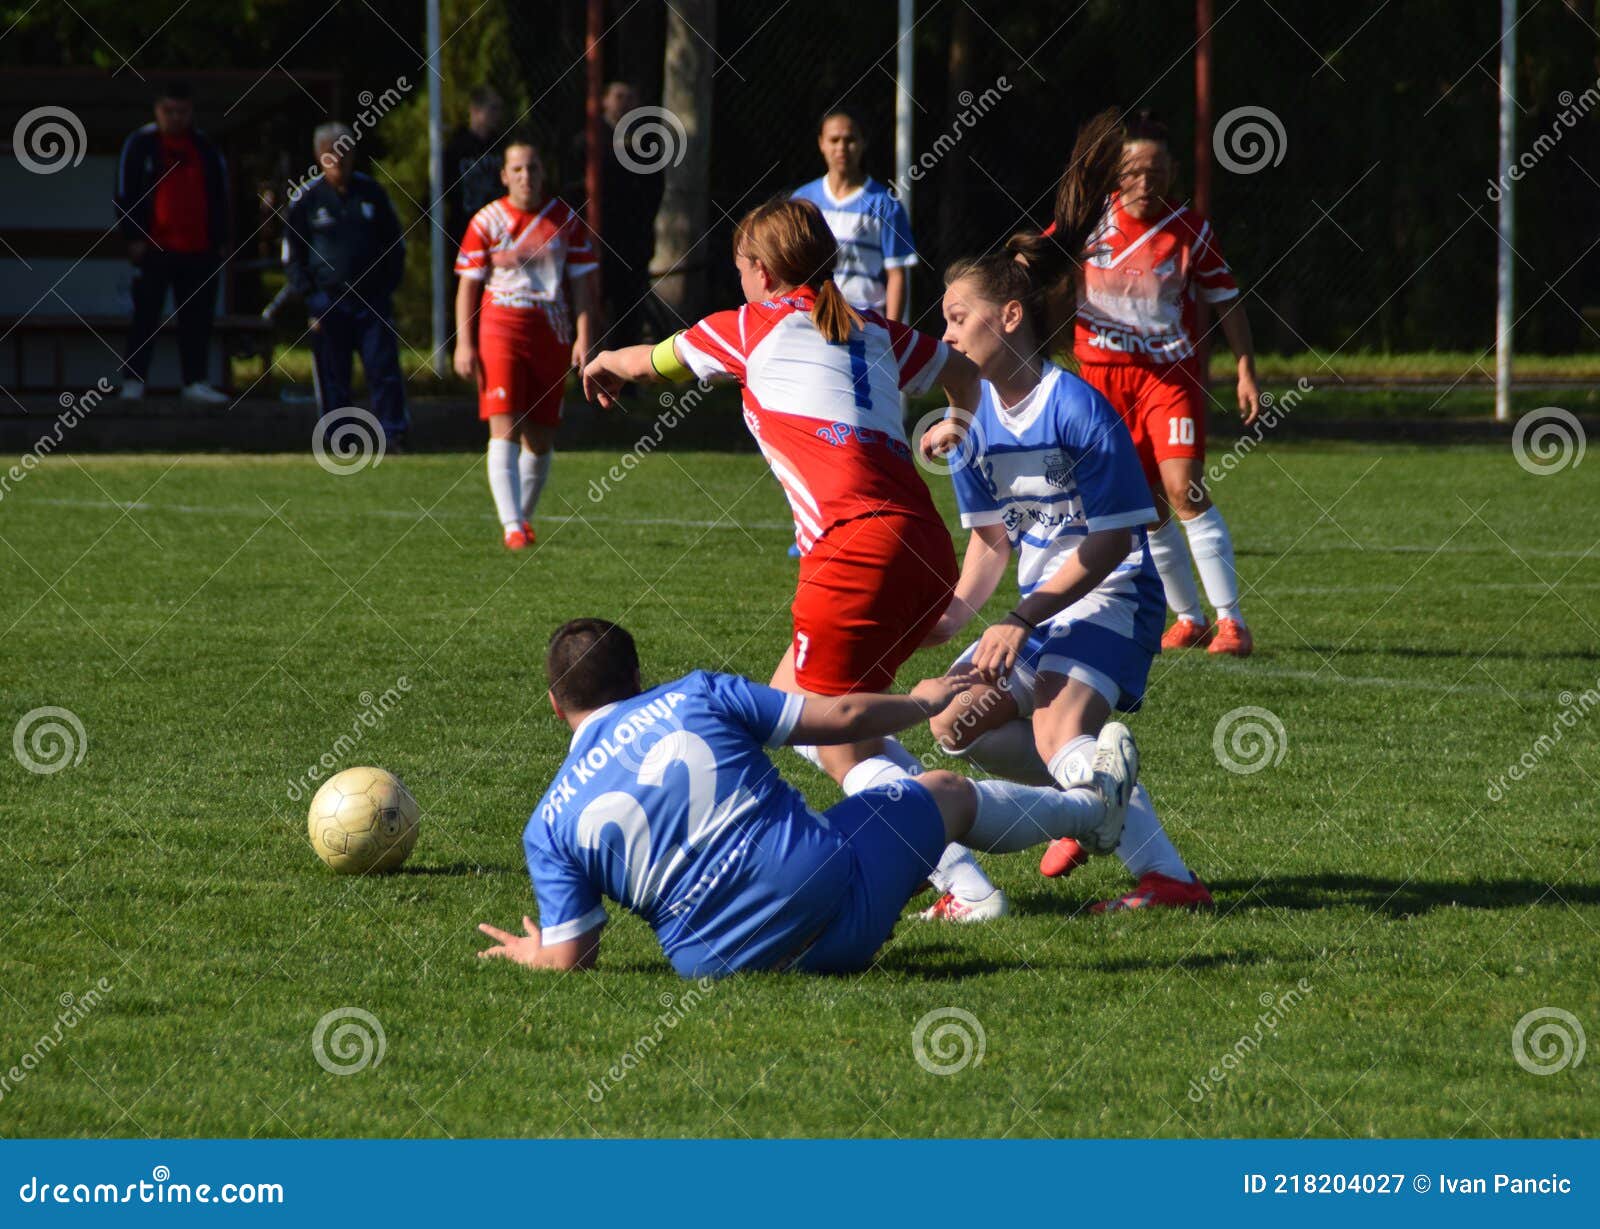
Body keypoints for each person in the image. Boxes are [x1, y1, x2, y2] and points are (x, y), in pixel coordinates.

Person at [473, 618, 1140, 977]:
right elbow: (844, 721)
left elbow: (572, 958)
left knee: (858, 822)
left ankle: (949, 882)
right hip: (829, 902)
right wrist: (920, 701)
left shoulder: (547, 823)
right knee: (942, 790)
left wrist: (536, 953)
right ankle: (1093, 811)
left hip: (723, 965)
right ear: (640, 676)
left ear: (556, 705)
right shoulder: (697, 693)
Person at [918, 111, 1213, 920]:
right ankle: (1092, 798)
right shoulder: (972, 428)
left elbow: (1119, 535)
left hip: (1109, 592)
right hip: (1038, 604)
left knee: (1055, 730)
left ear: (1009, 319)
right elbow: (988, 542)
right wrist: (950, 619)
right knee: (953, 721)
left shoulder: (1078, 408)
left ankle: (1170, 879)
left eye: (956, 317)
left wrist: (1019, 615)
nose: (943, 333)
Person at [580, 198, 976, 800]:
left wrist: (606, 359)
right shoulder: (877, 328)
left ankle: (956, 867)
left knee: (823, 734)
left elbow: (653, 364)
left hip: (855, 550)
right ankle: (960, 823)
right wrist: (959, 422)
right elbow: (966, 371)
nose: (741, 280)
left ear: (762, 272)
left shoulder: (746, 325)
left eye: (741, 267)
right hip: (926, 546)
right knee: (799, 711)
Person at [1071, 111, 1262, 657]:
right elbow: (1040, 268)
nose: (1144, 182)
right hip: (1101, 382)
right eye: (1134, 170)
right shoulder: (1088, 222)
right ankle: (1188, 618)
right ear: (1115, 170)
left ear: (1171, 172)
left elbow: (1226, 299)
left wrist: (1245, 367)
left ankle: (1232, 624)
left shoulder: (1191, 230)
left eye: (1156, 172)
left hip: (1168, 378)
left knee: (1185, 491)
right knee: (1147, 505)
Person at [454, 136, 598, 549]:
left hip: (551, 331)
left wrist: (583, 339)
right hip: (499, 327)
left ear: (543, 172)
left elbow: (584, 286)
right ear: (504, 176)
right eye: (517, 169)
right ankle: (512, 526)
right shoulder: (487, 221)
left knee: (541, 435)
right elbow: (467, 287)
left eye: (532, 168)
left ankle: (524, 519)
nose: (526, 177)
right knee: (505, 425)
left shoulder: (565, 220)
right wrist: (464, 343)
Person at [282, 123, 409, 449]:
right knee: (333, 374)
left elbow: (394, 246)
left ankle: (392, 434)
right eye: (331, 156)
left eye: (345, 155)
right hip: (329, 302)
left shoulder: (373, 194)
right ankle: (340, 437)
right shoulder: (306, 199)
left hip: (371, 301)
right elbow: (293, 255)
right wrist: (311, 297)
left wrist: (385, 288)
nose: (339, 164)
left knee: (383, 368)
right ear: (319, 156)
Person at [114, 80, 230, 403]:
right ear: (158, 111)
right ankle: (133, 380)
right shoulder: (140, 144)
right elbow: (125, 193)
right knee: (145, 316)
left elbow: (221, 196)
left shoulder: (205, 148)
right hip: (154, 248)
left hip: (199, 249)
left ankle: (195, 381)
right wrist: (133, 236)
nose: (176, 117)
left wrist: (221, 239)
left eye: (182, 111)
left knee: (197, 317)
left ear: (191, 112)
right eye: (169, 111)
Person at [791, 108, 917, 319]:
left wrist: (893, 336)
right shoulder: (802, 201)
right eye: (834, 140)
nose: (842, 147)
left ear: (863, 143)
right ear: (821, 143)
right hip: (812, 317)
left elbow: (896, 274)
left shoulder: (885, 203)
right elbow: (790, 265)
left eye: (850, 139)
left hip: (866, 321)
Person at [443, 85, 507, 251]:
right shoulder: (456, 149)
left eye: (499, 109)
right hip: (464, 231)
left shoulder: (502, 147)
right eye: (492, 109)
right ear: (475, 110)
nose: (497, 115)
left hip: (498, 231)